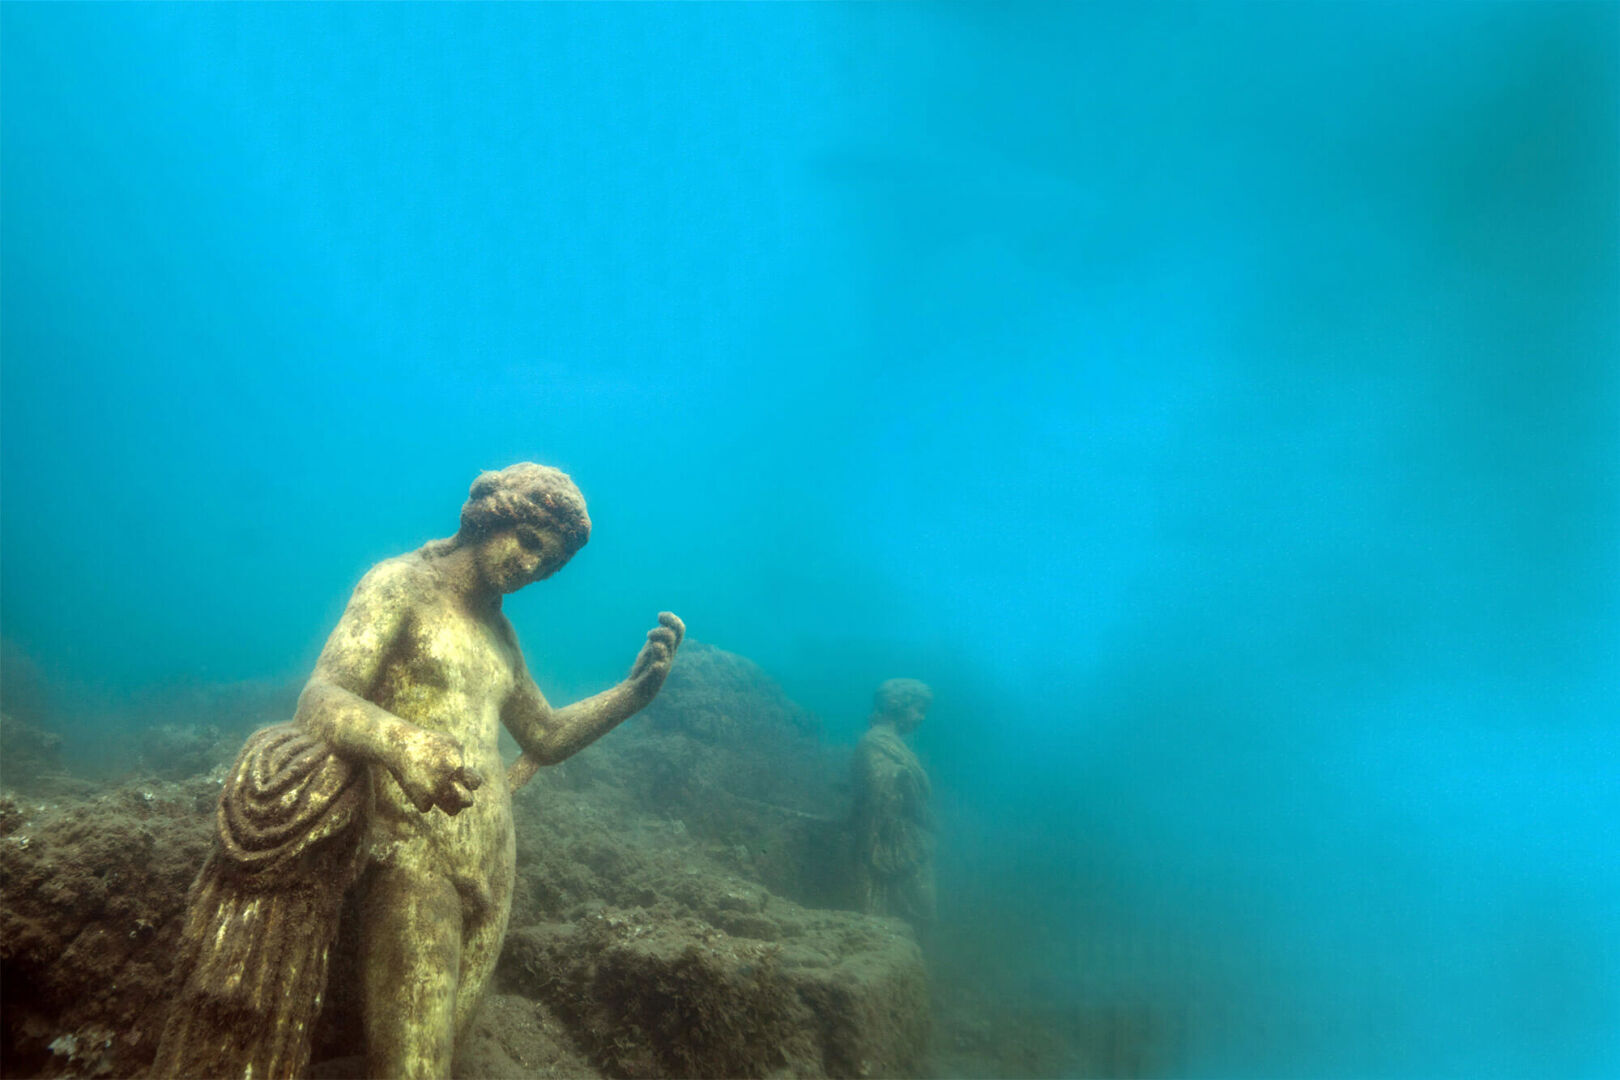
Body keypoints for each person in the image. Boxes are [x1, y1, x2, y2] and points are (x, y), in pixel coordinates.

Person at [155, 463, 683, 1080]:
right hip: (412, 853)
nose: (531, 566)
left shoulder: (501, 637)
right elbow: (320, 699)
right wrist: (403, 745)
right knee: (415, 1068)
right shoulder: (401, 585)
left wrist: (631, 695)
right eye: (528, 541)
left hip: (494, 865)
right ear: (491, 517)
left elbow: (545, 736)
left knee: (440, 1057)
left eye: (548, 563)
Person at [851, 677, 935, 936]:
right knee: (911, 909)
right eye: (919, 709)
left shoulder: (893, 743)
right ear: (899, 706)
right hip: (887, 841)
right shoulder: (874, 741)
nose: (921, 718)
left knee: (924, 910)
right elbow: (876, 786)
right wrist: (902, 778)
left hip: (908, 840)